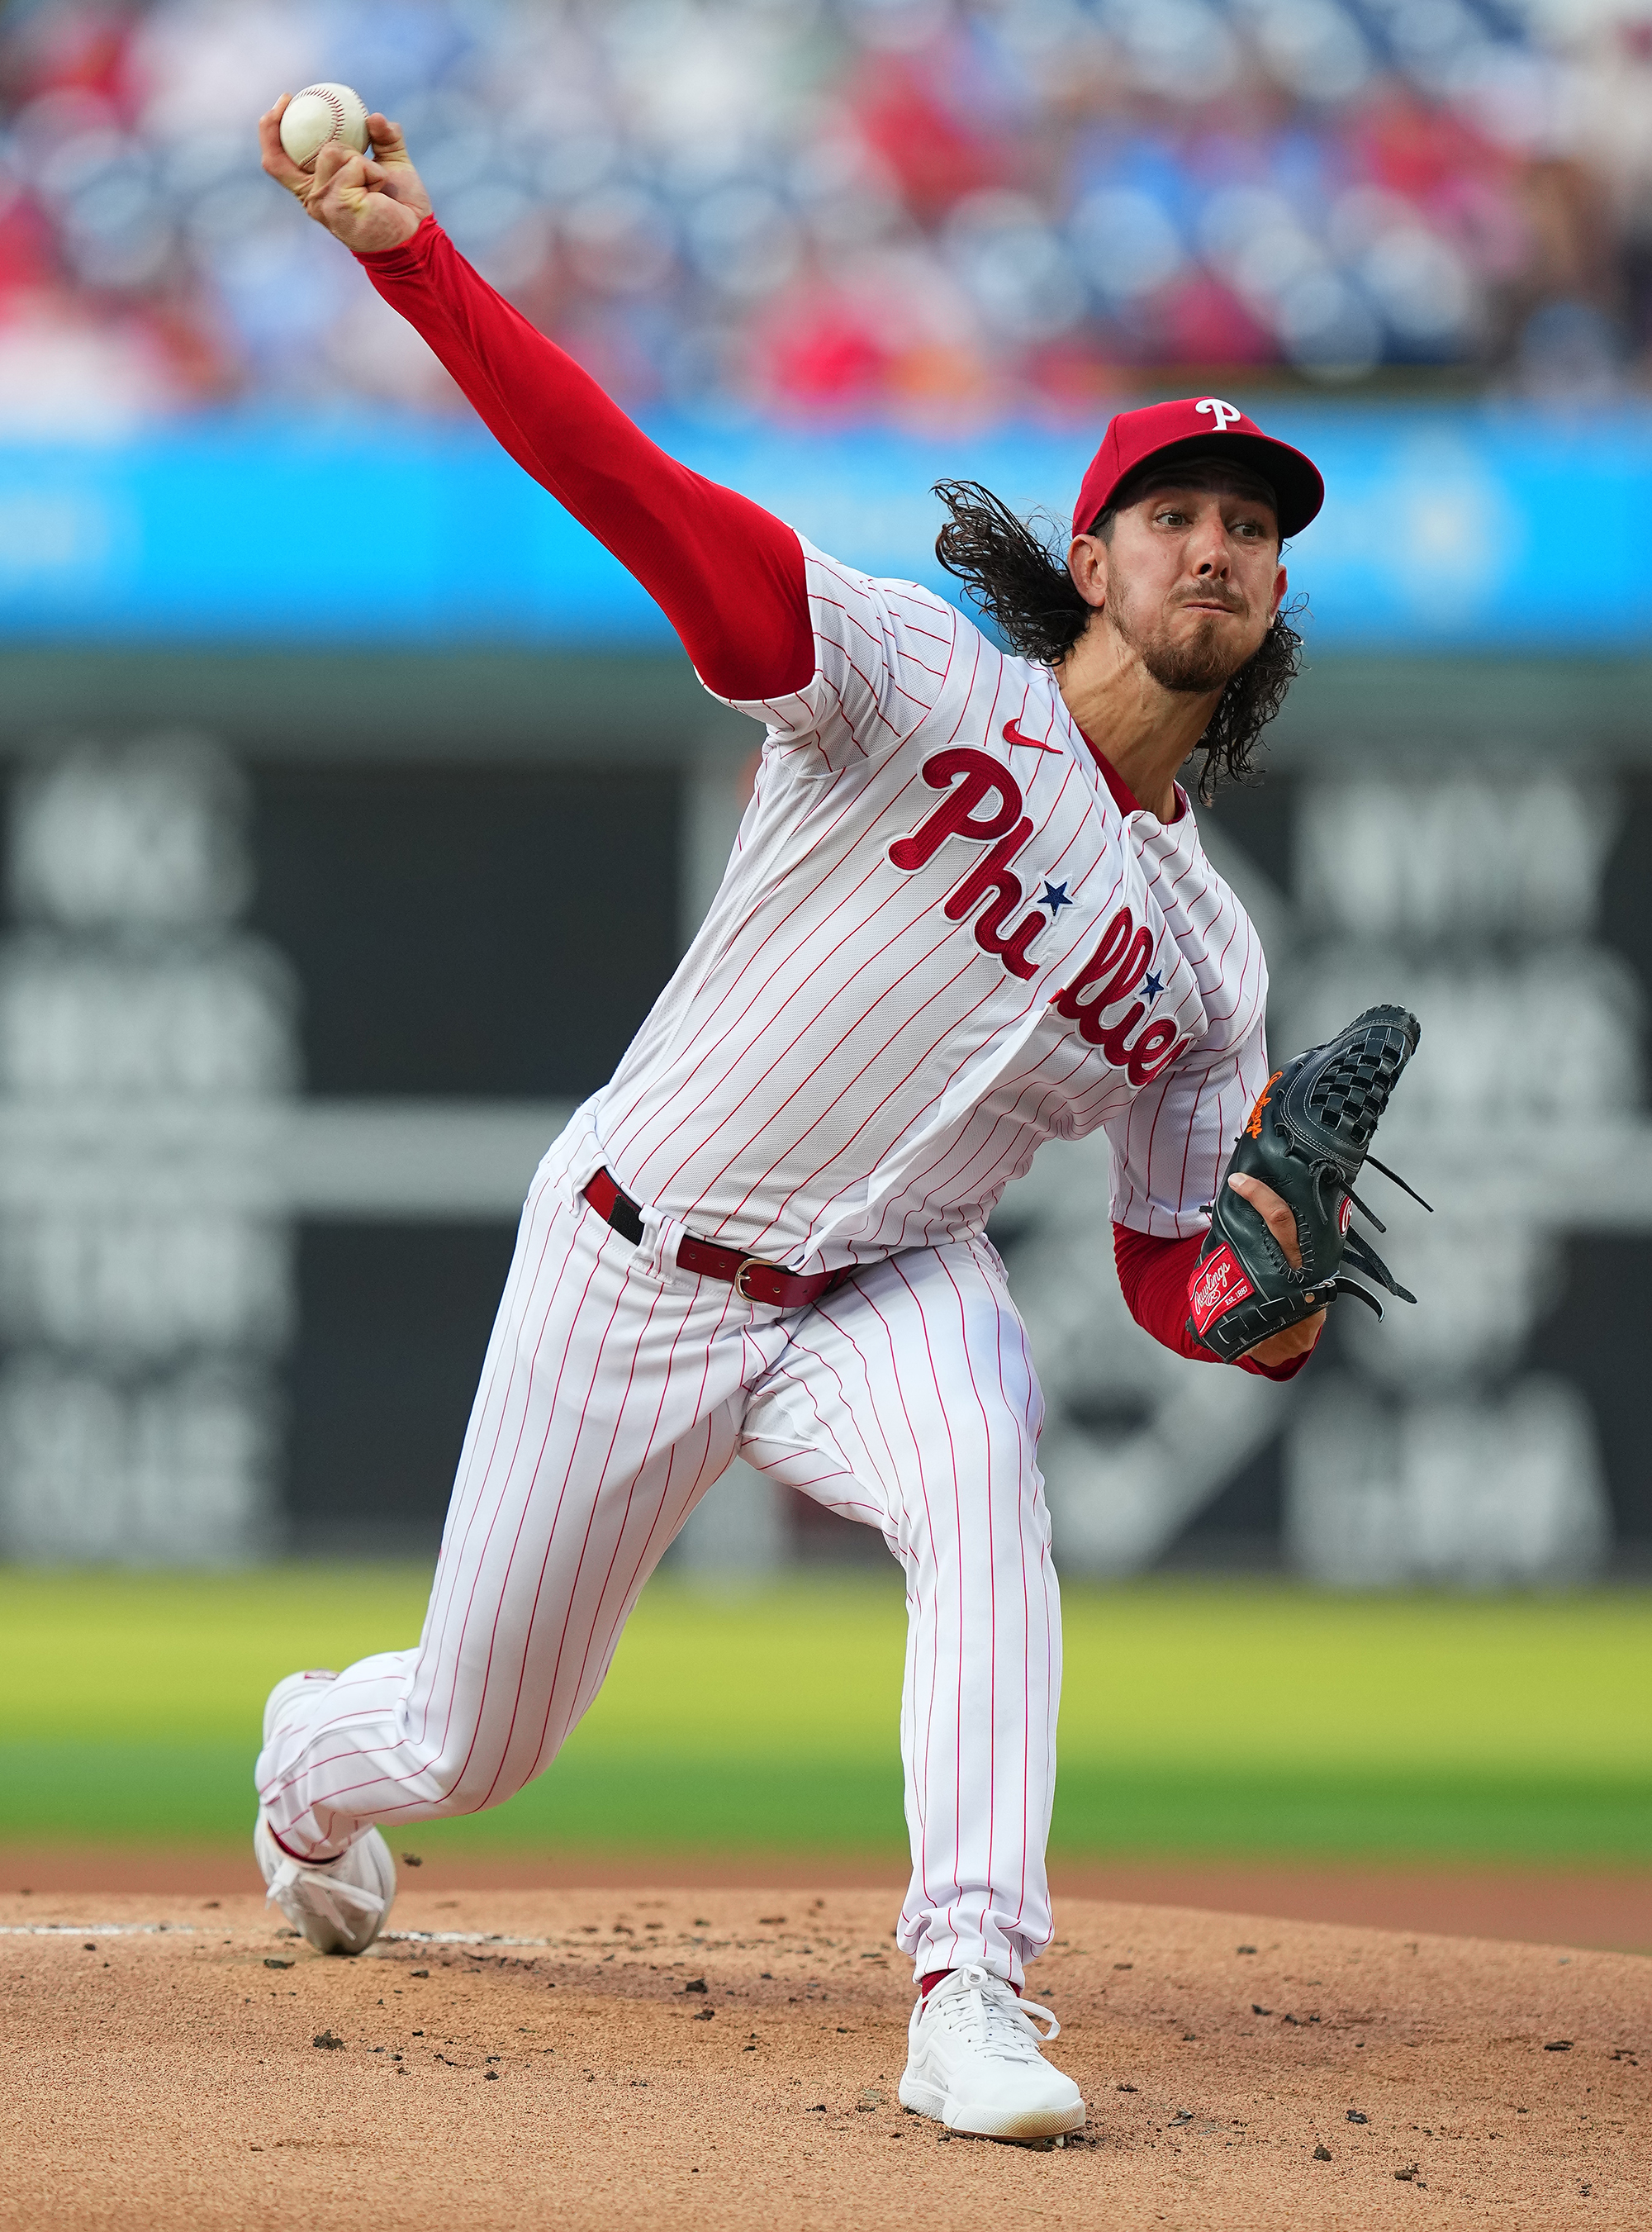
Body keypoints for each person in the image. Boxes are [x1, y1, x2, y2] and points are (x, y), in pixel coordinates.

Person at [252, 98, 1327, 2144]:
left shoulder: (1210, 964)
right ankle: (311, 1763)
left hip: (883, 1283)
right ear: (1089, 558)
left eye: (1254, 527)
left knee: (988, 1491)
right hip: (636, 1249)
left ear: (1272, 597)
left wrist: (1261, 1303)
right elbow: (627, 485)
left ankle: (971, 1993)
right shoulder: (908, 679)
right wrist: (412, 259)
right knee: (474, 1739)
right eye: (1177, 511)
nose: (1218, 545)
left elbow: (1177, 1274)